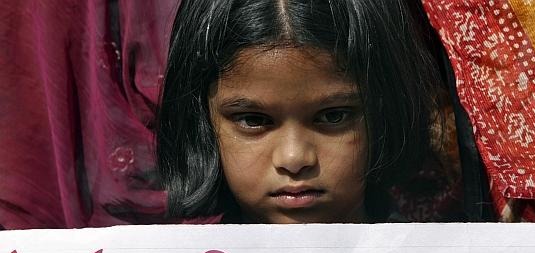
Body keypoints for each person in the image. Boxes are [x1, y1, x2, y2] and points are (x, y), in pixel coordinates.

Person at [156, 0, 442, 224]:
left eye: (333, 116)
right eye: (254, 120)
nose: (294, 159)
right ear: (202, 121)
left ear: (386, 111)